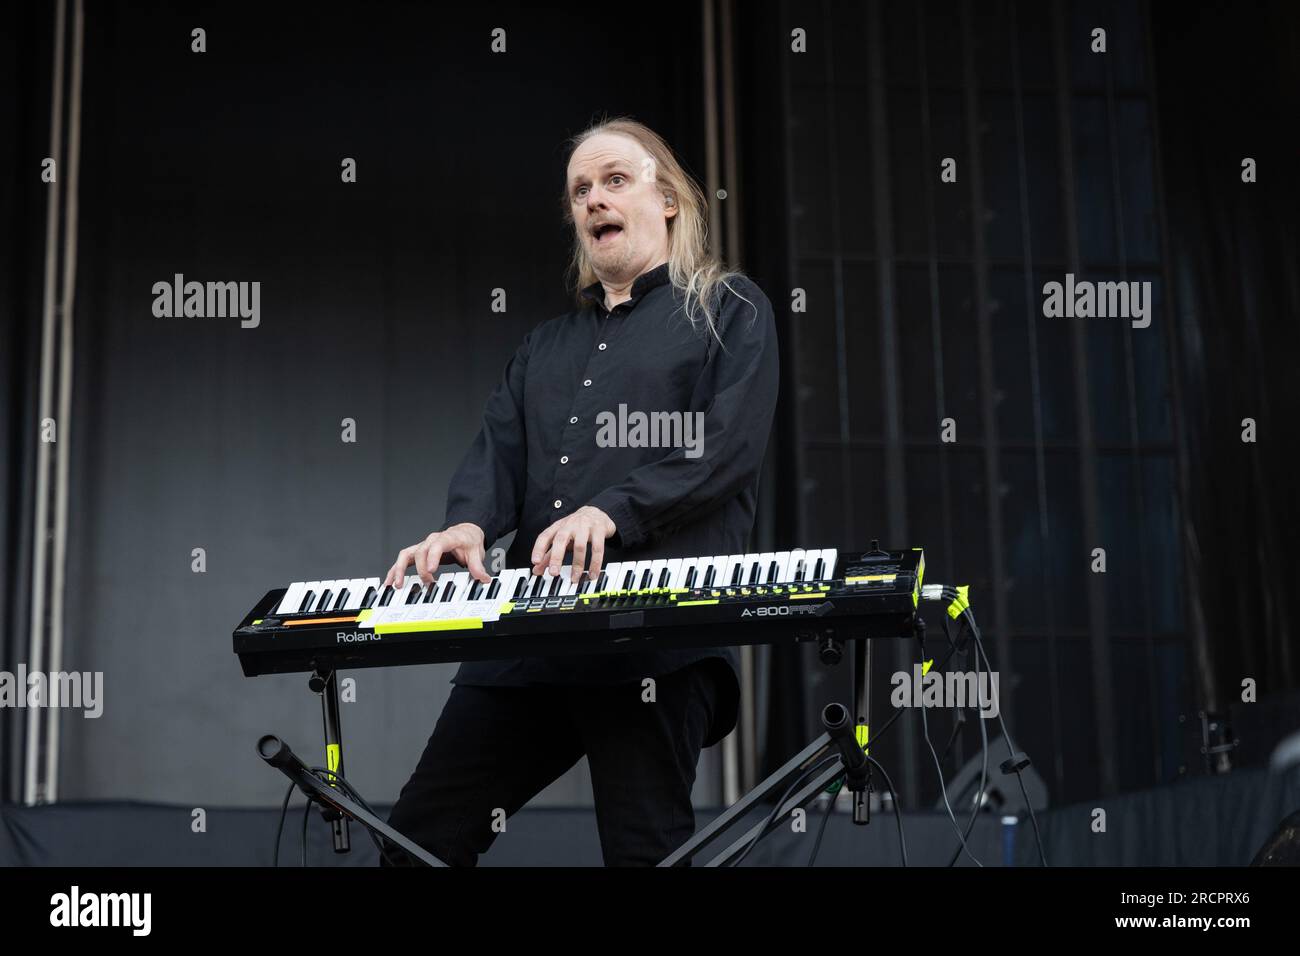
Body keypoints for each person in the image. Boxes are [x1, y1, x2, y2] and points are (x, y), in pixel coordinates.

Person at [379, 117, 778, 866]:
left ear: (668, 200)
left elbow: (724, 449)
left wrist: (612, 510)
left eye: (615, 181)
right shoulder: (543, 347)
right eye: (580, 190)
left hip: (652, 640)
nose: (594, 199)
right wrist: (467, 526)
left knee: (644, 854)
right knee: (416, 846)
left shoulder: (730, 311)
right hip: (529, 638)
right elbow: (498, 452)